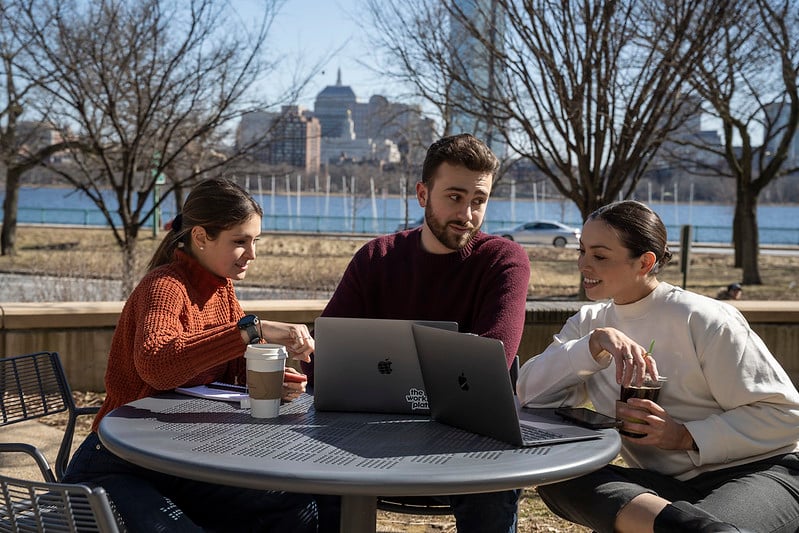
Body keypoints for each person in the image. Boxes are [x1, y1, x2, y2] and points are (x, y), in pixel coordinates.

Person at [63, 177, 337, 532]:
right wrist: (253, 329)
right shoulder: (163, 287)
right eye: (239, 242)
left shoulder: (222, 291)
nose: (252, 254)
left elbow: (231, 363)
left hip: (184, 461)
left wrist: (273, 375)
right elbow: (158, 366)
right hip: (119, 461)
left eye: (255, 241)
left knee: (310, 500)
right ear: (201, 237)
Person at [516, 200, 799, 533]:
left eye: (600, 256)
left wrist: (685, 436)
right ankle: (682, 527)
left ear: (645, 262)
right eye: (581, 251)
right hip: (664, 487)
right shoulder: (589, 325)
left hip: (762, 471)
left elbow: (786, 417)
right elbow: (528, 394)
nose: (583, 264)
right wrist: (590, 347)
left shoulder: (705, 320)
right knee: (557, 476)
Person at [304, 133, 531, 533]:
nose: (467, 213)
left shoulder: (504, 260)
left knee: (491, 486)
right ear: (422, 194)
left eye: (479, 200)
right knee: (317, 476)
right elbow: (326, 355)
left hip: (470, 437)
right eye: (455, 197)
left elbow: (493, 357)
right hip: (371, 430)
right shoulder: (377, 258)